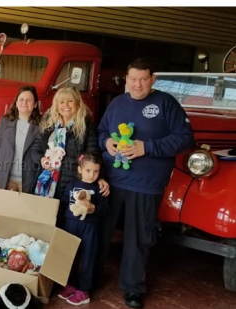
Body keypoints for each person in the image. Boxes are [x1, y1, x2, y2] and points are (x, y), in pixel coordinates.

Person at [96, 58, 195, 308]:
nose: (137, 84)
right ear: (126, 81)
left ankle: (132, 289)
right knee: (101, 233)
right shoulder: (117, 103)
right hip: (113, 182)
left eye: (142, 79)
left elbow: (185, 138)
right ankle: (91, 278)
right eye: (133, 79)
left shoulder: (166, 103)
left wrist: (147, 147)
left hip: (146, 184)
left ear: (152, 80)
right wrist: (106, 142)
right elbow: (101, 132)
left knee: (138, 239)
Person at [31, 87, 109, 227]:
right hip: (47, 183)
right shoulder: (48, 125)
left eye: (70, 101)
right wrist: (42, 159)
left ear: (78, 104)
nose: (65, 105)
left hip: (72, 185)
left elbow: (93, 155)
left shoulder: (86, 126)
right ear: (56, 105)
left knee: (65, 225)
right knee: (44, 224)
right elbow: (35, 150)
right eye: (61, 102)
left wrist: (100, 176)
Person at [57, 152, 109, 306]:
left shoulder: (100, 188)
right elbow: (63, 202)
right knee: (71, 256)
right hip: (70, 225)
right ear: (80, 169)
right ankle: (71, 285)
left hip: (90, 227)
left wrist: (94, 208)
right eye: (88, 171)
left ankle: (84, 290)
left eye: (96, 171)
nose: (92, 175)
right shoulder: (72, 185)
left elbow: (106, 210)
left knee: (88, 258)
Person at [0, 85, 42, 193]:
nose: (24, 102)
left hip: (28, 181)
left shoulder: (42, 126)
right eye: (21, 99)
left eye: (29, 100)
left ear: (35, 104)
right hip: (6, 179)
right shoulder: (5, 122)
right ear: (16, 103)